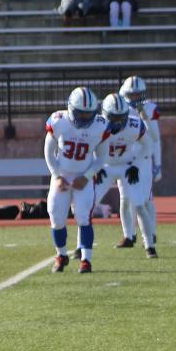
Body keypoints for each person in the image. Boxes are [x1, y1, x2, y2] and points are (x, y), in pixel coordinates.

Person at [44, 87, 110, 273]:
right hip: (62, 174)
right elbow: (48, 152)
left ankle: (86, 260)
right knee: (56, 216)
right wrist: (57, 176)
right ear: (71, 108)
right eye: (80, 113)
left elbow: (102, 158)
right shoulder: (59, 121)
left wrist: (86, 177)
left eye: (88, 113)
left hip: (84, 176)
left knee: (83, 217)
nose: (84, 117)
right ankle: (61, 255)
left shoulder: (100, 125)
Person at [93, 93, 154, 258]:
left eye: (121, 118)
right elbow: (88, 148)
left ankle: (150, 245)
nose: (118, 122)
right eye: (114, 118)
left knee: (139, 204)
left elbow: (148, 146)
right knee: (87, 207)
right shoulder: (96, 125)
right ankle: (82, 247)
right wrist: (95, 168)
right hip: (106, 167)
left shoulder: (134, 125)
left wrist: (135, 164)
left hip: (127, 167)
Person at [116, 75, 161, 255]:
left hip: (143, 158)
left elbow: (155, 138)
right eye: (131, 95)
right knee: (125, 198)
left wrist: (158, 163)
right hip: (125, 158)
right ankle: (128, 234)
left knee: (146, 199)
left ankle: (150, 233)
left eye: (138, 95)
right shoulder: (119, 108)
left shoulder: (149, 108)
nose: (135, 98)